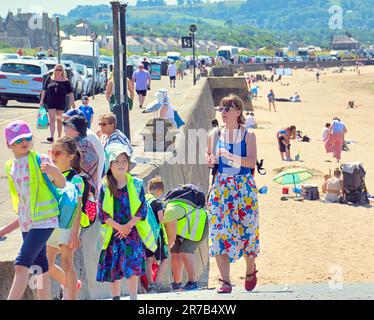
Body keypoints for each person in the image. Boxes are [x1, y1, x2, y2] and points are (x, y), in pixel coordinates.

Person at [1, 120, 65, 300]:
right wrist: (6, 229)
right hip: (28, 224)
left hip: (45, 221)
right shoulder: (10, 166)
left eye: (27, 138)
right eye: (18, 140)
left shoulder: (40, 159)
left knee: (21, 265)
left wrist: (54, 171)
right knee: (40, 267)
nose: (24, 142)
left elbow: (61, 184)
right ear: (9, 144)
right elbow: (22, 203)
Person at [206, 95, 259, 294]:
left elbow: (251, 162)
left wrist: (230, 156)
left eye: (228, 108)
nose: (224, 111)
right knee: (219, 233)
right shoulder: (214, 134)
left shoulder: (248, 135)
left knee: (247, 231)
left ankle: (250, 268)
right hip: (221, 188)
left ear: (239, 112)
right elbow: (210, 158)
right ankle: (225, 281)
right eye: (222, 108)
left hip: (244, 189)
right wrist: (210, 160)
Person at [96, 143, 146, 300]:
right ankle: (116, 297)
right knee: (113, 269)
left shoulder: (137, 185)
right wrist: (119, 227)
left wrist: (128, 227)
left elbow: (142, 209)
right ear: (110, 164)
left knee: (132, 268)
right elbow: (102, 213)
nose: (121, 165)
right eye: (116, 161)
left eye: (124, 161)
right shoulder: (104, 186)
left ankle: (133, 297)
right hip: (113, 233)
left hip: (132, 233)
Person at [46, 137, 83, 300]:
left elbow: (78, 207)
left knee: (67, 262)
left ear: (70, 156)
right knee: (46, 264)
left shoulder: (76, 179)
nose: (53, 155)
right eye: (51, 151)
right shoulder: (48, 175)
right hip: (51, 224)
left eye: (58, 153)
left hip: (68, 225)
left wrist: (75, 233)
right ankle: (72, 284)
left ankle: (72, 296)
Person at [163, 194, 209, 291]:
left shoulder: (169, 213)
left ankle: (193, 282)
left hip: (200, 224)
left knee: (186, 251)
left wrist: (162, 256)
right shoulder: (167, 209)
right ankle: (177, 283)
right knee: (175, 251)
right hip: (188, 227)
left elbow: (170, 239)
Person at [62, 109, 105, 181]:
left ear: (76, 128)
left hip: (87, 185)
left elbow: (85, 170)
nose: (64, 128)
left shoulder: (85, 141)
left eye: (67, 125)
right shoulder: (81, 139)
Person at [144, 177, 171, 293]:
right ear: (159, 191)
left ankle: (150, 286)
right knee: (165, 259)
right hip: (155, 236)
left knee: (148, 260)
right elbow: (161, 218)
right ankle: (158, 283)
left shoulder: (142, 200)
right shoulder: (157, 202)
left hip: (144, 234)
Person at [63, 115, 99, 197]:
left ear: (77, 131)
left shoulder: (82, 145)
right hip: (84, 188)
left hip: (84, 190)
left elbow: (76, 170)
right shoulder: (83, 143)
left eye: (68, 126)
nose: (65, 129)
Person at [40, 64, 75, 143]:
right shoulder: (49, 79)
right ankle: (51, 136)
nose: (58, 71)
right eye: (56, 70)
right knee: (52, 119)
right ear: (54, 70)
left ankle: (59, 137)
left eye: (60, 70)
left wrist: (72, 102)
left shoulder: (66, 81)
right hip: (51, 101)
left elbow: (70, 93)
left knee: (59, 120)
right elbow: (44, 90)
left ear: (63, 71)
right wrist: (41, 101)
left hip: (61, 102)